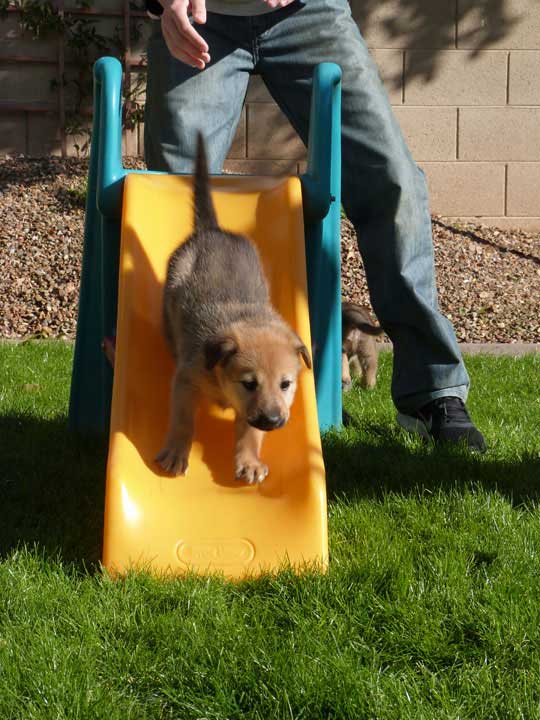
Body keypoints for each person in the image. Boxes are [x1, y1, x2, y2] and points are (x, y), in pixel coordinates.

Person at [143, 0, 487, 452]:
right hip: (204, 17)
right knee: (171, 194)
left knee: (393, 180)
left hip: (309, 13)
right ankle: (152, 388)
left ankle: (432, 391)